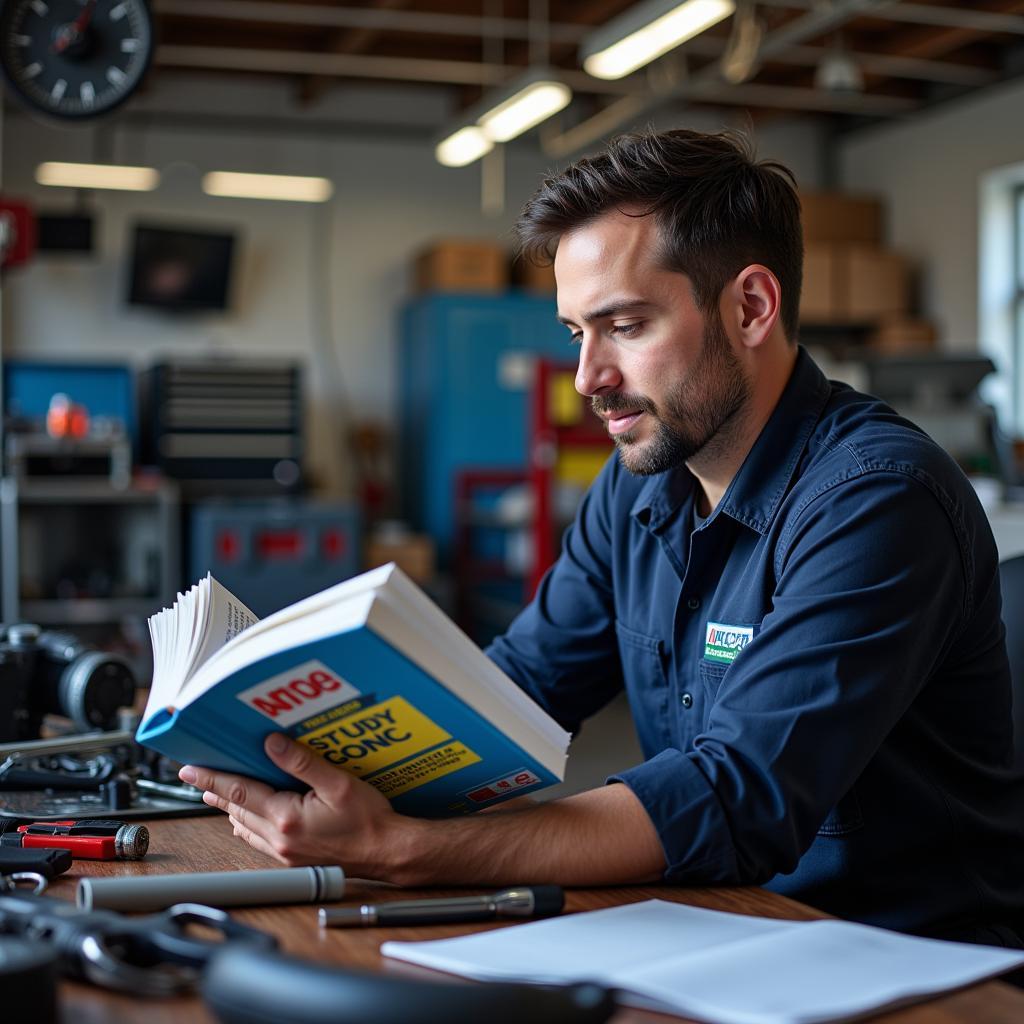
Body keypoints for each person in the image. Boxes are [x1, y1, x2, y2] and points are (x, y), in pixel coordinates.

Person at [180, 128, 1024, 945]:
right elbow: (510, 698)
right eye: (577, 333)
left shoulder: (877, 499)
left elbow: (739, 796)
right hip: (716, 929)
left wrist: (412, 853)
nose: (589, 379)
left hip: (907, 963)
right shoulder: (639, 489)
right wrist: (301, 756)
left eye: (624, 327)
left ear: (751, 308)